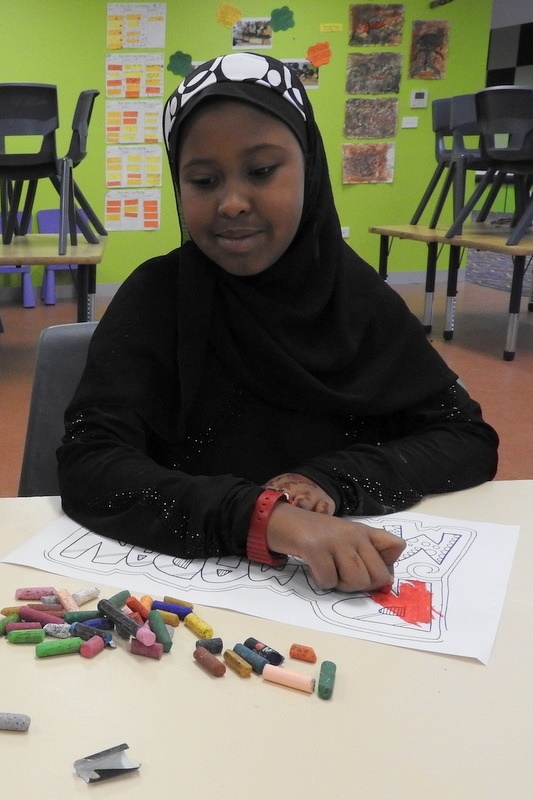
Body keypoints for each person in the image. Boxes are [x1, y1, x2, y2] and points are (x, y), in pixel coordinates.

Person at [57, 53, 498, 593]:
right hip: (187, 597)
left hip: (347, 609)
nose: (233, 202)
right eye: (202, 180)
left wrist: (330, 480)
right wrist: (264, 518)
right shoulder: (158, 299)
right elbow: (90, 464)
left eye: (262, 171)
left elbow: (466, 438)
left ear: (309, 167)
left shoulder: (359, 301)